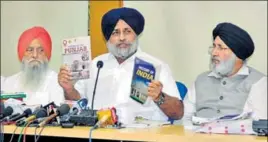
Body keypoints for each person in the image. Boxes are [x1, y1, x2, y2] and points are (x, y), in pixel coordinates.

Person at [58, 7, 184, 124]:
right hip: (100, 134)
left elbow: (178, 113)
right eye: (115, 33)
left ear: (136, 35)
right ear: (107, 38)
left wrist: (159, 96)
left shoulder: (156, 66)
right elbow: (78, 102)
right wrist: (69, 89)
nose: (122, 38)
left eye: (127, 31)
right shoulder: (96, 65)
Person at [183, 22, 267, 121]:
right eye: (214, 46)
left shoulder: (258, 82)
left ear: (237, 55)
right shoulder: (201, 80)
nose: (214, 53)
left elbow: (260, 126)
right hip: (197, 135)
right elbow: (184, 120)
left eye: (220, 48)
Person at [1, 26, 64, 106]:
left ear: (46, 54)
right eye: (30, 50)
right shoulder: (9, 83)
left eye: (41, 50)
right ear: (22, 53)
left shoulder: (57, 82)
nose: (35, 55)